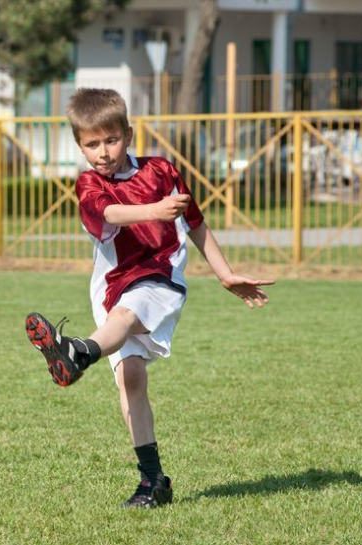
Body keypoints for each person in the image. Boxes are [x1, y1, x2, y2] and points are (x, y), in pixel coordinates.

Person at [25, 88, 273, 509]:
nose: (103, 152)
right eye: (91, 144)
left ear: (128, 133)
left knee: (126, 316)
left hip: (160, 278)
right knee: (132, 379)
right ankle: (153, 482)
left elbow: (194, 222)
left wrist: (225, 273)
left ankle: (78, 352)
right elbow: (108, 214)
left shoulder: (161, 170)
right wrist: (154, 211)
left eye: (111, 140)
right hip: (109, 284)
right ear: (79, 145)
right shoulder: (88, 183)